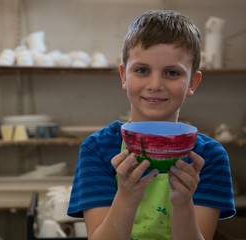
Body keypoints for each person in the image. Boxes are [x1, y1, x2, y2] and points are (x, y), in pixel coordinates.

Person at [67, 10, 236, 240]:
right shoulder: (96, 150)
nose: (155, 84)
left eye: (172, 72)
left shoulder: (209, 157)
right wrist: (126, 196)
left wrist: (183, 202)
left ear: (192, 82)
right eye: (142, 70)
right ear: (124, 76)